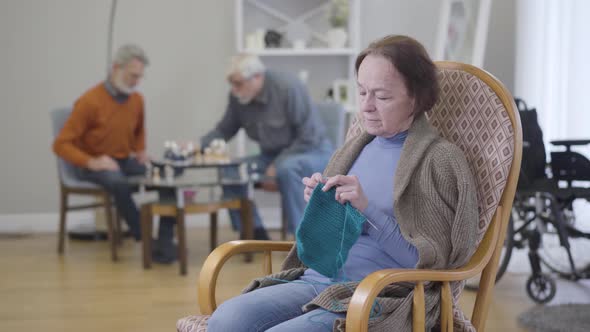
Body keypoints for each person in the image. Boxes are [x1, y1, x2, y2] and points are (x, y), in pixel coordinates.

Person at [207, 35, 479, 331]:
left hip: (376, 294)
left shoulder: (439, 160)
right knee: (226, 319)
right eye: (362, 93)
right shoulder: (352, 150)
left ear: (416, 97)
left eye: (382, 96)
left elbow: (429, 265)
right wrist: (321, 206)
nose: (367, 107)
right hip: (319, 280)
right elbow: (332, 240)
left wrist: (367, 209)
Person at [53, 44, 177, 264]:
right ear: (116, 68)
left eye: (140, 77)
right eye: (132, 76)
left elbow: (139, 131)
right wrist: (91, 161)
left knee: (170, 174)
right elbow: (61, 144)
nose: (136, 82)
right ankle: (147, 240)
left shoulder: (137, 99)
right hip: (92, 165)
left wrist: (140, 150)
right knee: (118, 182)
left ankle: (165, 241)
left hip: (123, 160)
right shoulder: (90, 101)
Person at [200, 54, 334, 240]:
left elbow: (308, 136)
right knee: (231, 171)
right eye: (232, 84)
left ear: (257, 77)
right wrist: (198, 146)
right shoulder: (238, 97)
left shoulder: (288, 87)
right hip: (271, 156)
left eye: (238, 84)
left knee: (286, 168)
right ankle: (255, 233)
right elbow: (225, 129)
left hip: (311, 151)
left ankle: (304, 239)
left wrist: (277, 164)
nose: (234, 90)